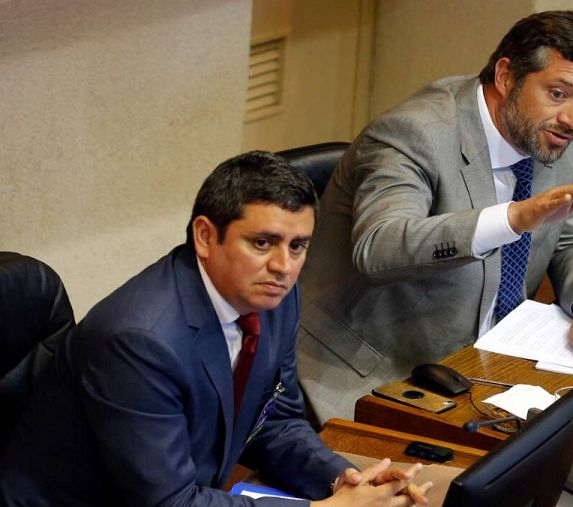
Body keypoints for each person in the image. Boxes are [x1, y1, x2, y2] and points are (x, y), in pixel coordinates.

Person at [0, 152, 431, 506]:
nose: (283, 266)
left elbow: (275, 422)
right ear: (205, 236)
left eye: (297, 246)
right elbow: (169, 503)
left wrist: (343, 480)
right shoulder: (136, 340)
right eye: (262, 243)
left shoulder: (273, 298)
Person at [298, 10, 573, 422]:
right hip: (376, 373)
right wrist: (511, 220)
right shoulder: (413, 134)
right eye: (558, 94)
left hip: (488, 363)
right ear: (506, 76)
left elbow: (572, 231)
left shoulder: (550, 131)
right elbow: (378, 246)